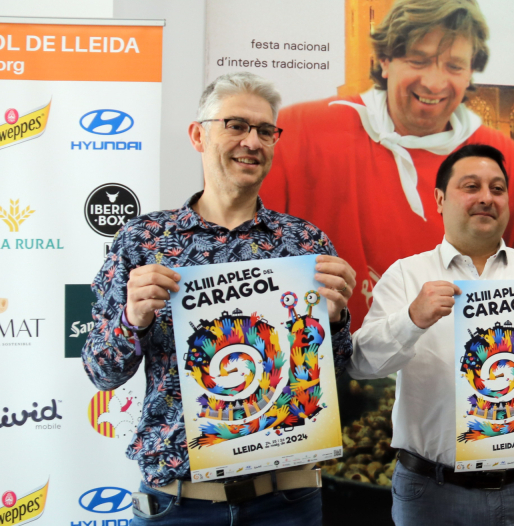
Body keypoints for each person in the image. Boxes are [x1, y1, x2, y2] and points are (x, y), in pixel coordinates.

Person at [260, 0, 514, 329]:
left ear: (470, 72)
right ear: (385, 60)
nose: (435, 83)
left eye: (454, 66)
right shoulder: (302, 131)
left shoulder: (499, 156)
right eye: (418, 60)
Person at [81, 72, 358, 524]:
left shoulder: (305, 244)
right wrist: (133, 319)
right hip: (176, 505)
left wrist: (333, 321)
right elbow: (101, 373)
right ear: (198, 135)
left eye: (266, 131)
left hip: (285, 503)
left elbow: (339, 372)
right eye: (236, 125)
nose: (253, 141)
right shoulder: (144, 241)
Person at [347, 143, 514, 526]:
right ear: (440, 199)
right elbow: (361, 365)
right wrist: (413, 318)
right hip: (432, 493)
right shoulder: (407, 276)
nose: (486, 198)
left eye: (497, 189)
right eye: (470, 186)